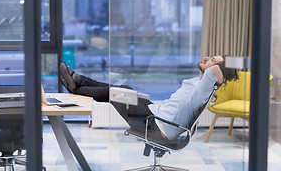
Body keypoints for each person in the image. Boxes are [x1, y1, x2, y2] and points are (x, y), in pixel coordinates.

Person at [59, 55, 238, 140]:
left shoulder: (205, 89)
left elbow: (215, 71)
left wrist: (225, 66)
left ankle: (76, 87)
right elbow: (214, 71)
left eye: (212, 59)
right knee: (123, 88)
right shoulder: (200, 83)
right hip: (155, 113)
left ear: (217, 73)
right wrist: (218, 65)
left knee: (113, 94)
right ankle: (77, 80)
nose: (207, 57)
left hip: (156, 125)